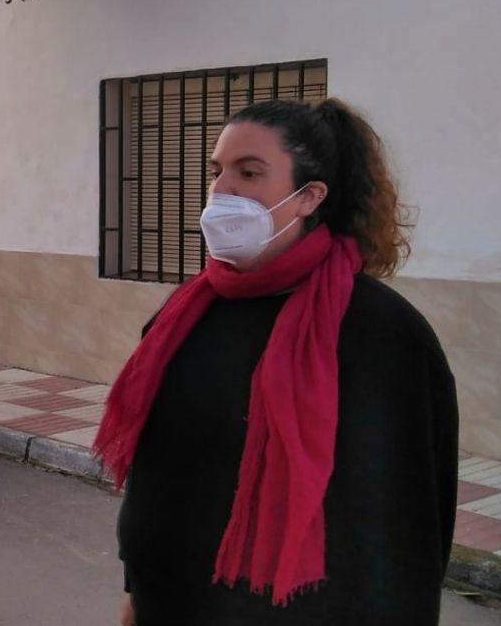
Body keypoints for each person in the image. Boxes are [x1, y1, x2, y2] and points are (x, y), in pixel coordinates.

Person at [96, 99, 458, 626]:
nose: (222, 189)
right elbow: (160, 478)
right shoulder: (184, 315)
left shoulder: (383, 334)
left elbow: (409, 526)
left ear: (310, 197)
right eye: (217, 171)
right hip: (171, 604)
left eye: (249, 172)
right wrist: (136, 593)